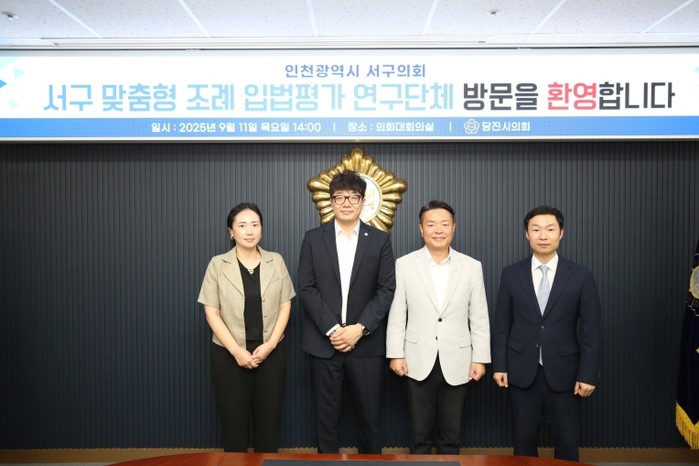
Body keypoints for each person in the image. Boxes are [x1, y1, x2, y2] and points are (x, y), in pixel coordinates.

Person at [491, 205, 602, 461]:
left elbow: (591, 331)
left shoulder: (581, 275)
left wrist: (588, 374)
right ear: (526, 234)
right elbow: (501, 326)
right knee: (523, 442)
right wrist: (500, 366)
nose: (543, 235)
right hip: (521, 371)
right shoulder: (511, 274)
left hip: (566, 373)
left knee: (567, 442)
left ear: (561, 233)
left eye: (550, 229)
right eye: (536, 229)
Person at [297, 170, 396, 454]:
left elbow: (386, 289)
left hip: (366, 346)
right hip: (323, 345)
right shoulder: (313, 239)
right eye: (340, 197)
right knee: (326, 422)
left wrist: (359, 329)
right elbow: (306, 287)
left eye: (353, 197)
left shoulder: (379, 240)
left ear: (363, 201)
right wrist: (333, 330)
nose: (346, 203)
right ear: (331, 201)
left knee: (370, 421)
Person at [386, 200, 491, 454]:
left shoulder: (471, 266)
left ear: (453, 228)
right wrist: (395, 354)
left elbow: (479, 316)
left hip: (458, 359)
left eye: (444, 224)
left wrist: (480, 358)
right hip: (416, 358)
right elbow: (397, 313)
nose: (438, 230)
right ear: (421, 229)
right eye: (431, 224)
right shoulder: (404, 264)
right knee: (419, 433)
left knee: (451, 434)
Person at [198, 202, 295, 452]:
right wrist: (236, 351)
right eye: (242, 226)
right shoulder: (217, 264)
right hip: (228, 355)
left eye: (255, 225)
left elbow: (285, 305)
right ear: (231, 231)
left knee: (268, 426)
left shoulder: (276, 261)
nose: (249, 231)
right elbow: (211, 312)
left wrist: (270, 345)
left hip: (270, 354)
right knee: (233, 427)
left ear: (261, 228)